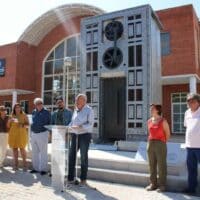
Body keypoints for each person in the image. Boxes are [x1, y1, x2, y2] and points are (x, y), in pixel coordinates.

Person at [68, 93, 94, 186]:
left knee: (83, 157)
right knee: (71, 156)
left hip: (84, 135)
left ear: (84, 101)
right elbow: (72, 121)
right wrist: (68, 127)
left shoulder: (89, 110)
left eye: (79, 99)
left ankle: (83, 179)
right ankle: (70, 177)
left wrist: (81, 126)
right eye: (77, 99)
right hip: (75, 135)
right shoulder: (75, 110)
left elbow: (91, 124)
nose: (77, 101)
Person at [146, 104, 170, 192]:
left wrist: (162, 142)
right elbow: (150, 133)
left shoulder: (163, 121)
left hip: (160, 144)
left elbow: (168, 134)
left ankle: (162, 185)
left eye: (152, 109)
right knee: (151, 164)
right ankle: (153, 184)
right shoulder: (149, 121)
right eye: (151, 109)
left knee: (161, 165)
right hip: (150, 143)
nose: (151, 110)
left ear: (157, 110)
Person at [183, 93, 200, 194]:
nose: (190, 103)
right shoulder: (187, 113)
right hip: (189, 146)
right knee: (191, 170)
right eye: (188, 101)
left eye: (192, 101)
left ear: (198, 102)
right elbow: (187, 127)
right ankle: (191, 188)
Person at [30, 98, 51, 175]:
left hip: (43, 133)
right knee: (34, 152)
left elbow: (49, 122)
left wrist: (49, 134)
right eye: (37, 103)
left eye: (40, 103)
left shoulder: (47, 112)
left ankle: (43, 169)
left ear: (42, 104)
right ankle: (35, 168)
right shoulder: (34, 112)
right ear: (35, 105)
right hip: (34, 134)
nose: (39, 105)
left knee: (43, 152)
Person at [8, 103, 29, 171]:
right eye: (16, 107)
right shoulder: (12, 115)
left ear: (20, 108)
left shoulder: (24, 115)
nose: (17, 108)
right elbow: (8, 126)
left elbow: (28, 125)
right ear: (14, 108)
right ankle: (15, 165)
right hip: (13, 134)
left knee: (22, 149)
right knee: (14, 149)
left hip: (21, 134)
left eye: (18, 107)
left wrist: (22, 125)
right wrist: (9, 121)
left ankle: (25, 165)